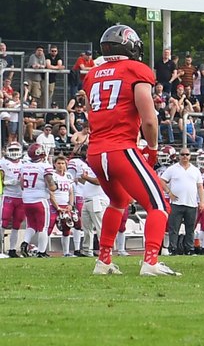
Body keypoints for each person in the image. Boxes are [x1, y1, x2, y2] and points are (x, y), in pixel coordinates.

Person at [83, 24, 178, 276]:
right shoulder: (137, 70)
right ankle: (151, 261)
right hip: (120, 148)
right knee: (158, 204)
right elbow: (149, 118)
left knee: (118, 201)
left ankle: (103, 261)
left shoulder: (93, 74)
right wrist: (153, 146)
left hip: (95, 152)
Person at [161, 148, 204, 255]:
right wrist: (168, 192)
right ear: (179, 156)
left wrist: (202, 201)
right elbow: (162, 180)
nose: (185, 156)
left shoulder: (195, 170)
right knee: (174, 228)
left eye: (187, 154)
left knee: (190, 228)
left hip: (191, 203)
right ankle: (173, 248)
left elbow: (200, 186)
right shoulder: (173, 169)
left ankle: (189, 248)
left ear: (190, 156)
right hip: (176, 203)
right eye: (182, 154)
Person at [1, 143, 25, 258]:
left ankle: (12, 249)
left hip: (21, 197)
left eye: (16, 149)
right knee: (3, 222)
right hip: (8, 195)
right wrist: (9, 182)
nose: (14, 151)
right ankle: (1, 250)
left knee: (17, 224)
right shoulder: (3, 162)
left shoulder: (24, 162)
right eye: (12, 149)